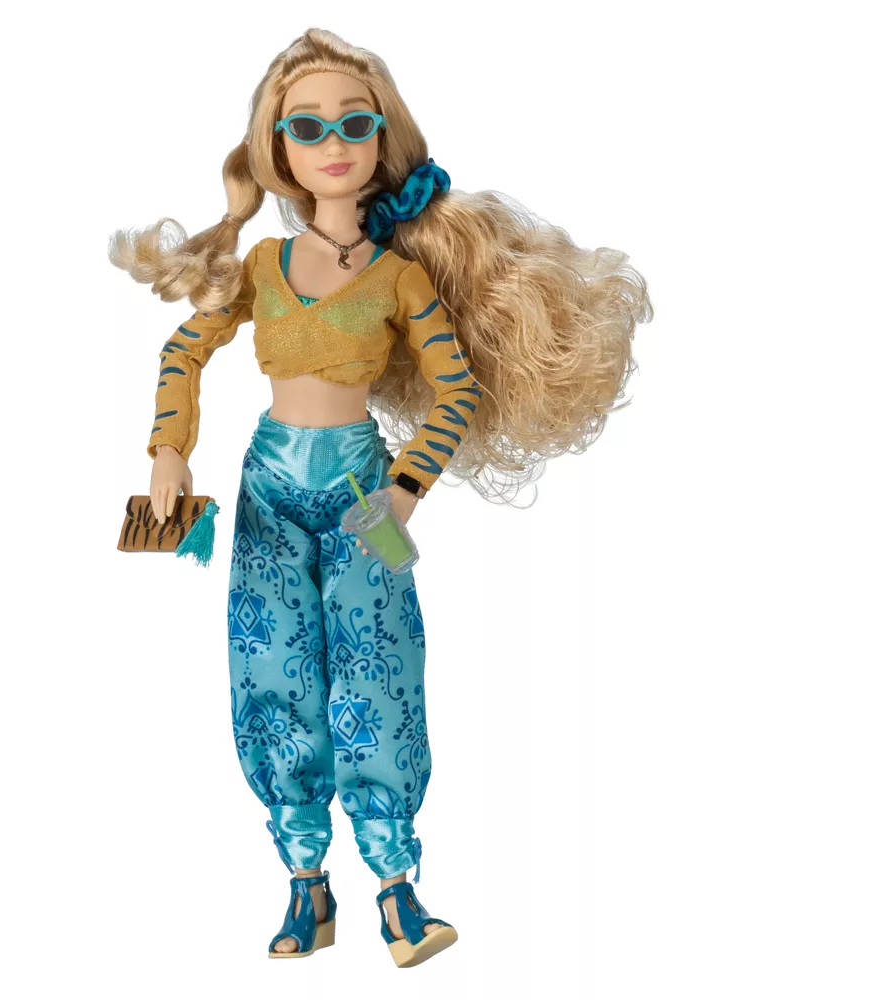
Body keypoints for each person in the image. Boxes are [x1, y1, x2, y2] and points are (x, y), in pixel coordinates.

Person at [109, 26, 652, 968]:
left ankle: (397, 886)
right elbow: (183, 351)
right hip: (270, 485)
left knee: (380, 669)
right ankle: (305, 883)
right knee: (270, 672)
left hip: (367, 488)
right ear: (277, 148)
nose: (332, 143)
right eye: (306, 127)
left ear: (382, 137)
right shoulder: (261, 269)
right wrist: (168, 451)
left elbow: (456, 393)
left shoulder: (401, 277)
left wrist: (405, 490)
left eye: (353, 124)